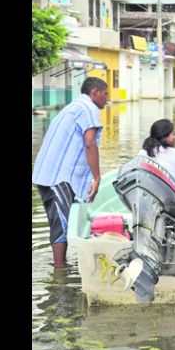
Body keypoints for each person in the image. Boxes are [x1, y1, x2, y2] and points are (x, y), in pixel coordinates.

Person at [32, 76, 109, 267]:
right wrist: (97, 178)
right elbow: (90, 143)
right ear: (95, 92)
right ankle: (60, 272)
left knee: (60, 220)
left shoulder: (73, 107)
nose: (106, 99)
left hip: (47, 173)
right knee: (61, 223)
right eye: (105, 94)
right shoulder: (88, 108)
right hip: (58, 176)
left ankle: (61, 266)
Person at [138, 119, 175, 190]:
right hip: (172, 197)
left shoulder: (142, 153)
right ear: (165, 136)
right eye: (173, 134)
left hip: (149, 192)